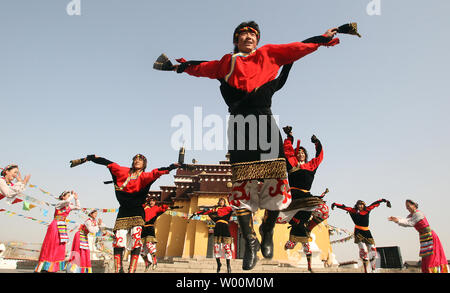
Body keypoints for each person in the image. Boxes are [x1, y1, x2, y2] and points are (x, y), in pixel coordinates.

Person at [169, 20, 340, 270]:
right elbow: (201, 67)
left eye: (252, 34)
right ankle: (250, 241)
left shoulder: (269, 53)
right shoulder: (226, 63)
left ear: (257, 39)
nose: (248, 37)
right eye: (243, 34)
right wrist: (180, 67)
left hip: (266, 124)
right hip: (238, 126)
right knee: (242, 186)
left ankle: (268, 229)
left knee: (277, 184)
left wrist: (322, 39)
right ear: (236, 39)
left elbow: (297, 48)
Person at [75, 153, 179, 273]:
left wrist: (172, 166)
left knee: (136, 239)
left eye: (140, 159)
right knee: (118, 240)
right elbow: (109, 163)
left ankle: (131, 270)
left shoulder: (145, 176)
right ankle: (118, 270)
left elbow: (158, 172)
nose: (137, 161)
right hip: (123, 211)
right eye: (135, 159)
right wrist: (91, 158)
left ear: (144, 164)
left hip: (137, 211)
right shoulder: (123, 172)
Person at [277, 127, 328, 272]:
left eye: (302, 152)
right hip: (293, 199)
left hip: (307, 198)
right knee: (276, 218)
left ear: (305, 155)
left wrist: (317, 142)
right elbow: (287, 150)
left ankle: (307, 228)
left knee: (324, 211)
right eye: (298, 152)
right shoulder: (291, 163)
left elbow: (319, 156)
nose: (300, 153)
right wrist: (289, 136)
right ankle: (296, 229)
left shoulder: (311, 165)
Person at [331, 198, 391, 273]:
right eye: (359, 204)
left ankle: (373, 269)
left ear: (364, 205)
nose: (360, 206)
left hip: (367, 232)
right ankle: (366, 269)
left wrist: (384, 200)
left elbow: (374, 204)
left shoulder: (367, 209)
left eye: (362, 204)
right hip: (358, 232)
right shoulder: (353, 211)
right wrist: (335, 204)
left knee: (373, 250)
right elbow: (344, 207)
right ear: (357, 205)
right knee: (364, 251)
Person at [388, 199, 448, 273]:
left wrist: (397, 220)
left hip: (430, 236)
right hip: (424, 238)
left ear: (414, 205)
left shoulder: (418, 214)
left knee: (432, 259)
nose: (407, 208)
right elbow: (406, 220)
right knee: (426, 259)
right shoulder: (412, 215)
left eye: (408, 206)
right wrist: (396, 219)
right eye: (406, 206)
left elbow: (410, 223)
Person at [35, 190, 81, 273]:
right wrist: (72, 196)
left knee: (59, 246)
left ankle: (53, 268)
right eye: (67, 195)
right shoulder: (59, 204)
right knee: (51, 245)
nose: (69, 197)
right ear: (62, 197)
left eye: (69, 195)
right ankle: (45, 266)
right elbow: (66, 201)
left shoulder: (69, 206)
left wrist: (76, 199)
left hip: (62, 226)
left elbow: (78, 207)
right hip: (55, 225)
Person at [191, 198, 234, 273]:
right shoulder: (215, 210)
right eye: (220, 201)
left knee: (226, 247)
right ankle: (218, 264)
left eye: (222, 201)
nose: (221, 202)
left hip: (225, 228)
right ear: (218, 202)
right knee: (216, 247)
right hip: (217, 228)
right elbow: (206, 212)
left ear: (224, 202)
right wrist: (197, 213)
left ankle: (228, 266)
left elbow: (236, 207)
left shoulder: (228, 208)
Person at [141, 195, 182, 271]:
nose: (151, 202)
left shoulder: (156, 208)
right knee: (141, 249)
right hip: (143, 229)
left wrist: (176, 207)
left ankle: (155, 262)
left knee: (150, 246)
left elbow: (166, 209)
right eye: (150, 201)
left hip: (150, 228)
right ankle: (147, 263)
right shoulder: (144, 208)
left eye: (153, 201)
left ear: (155, 202)